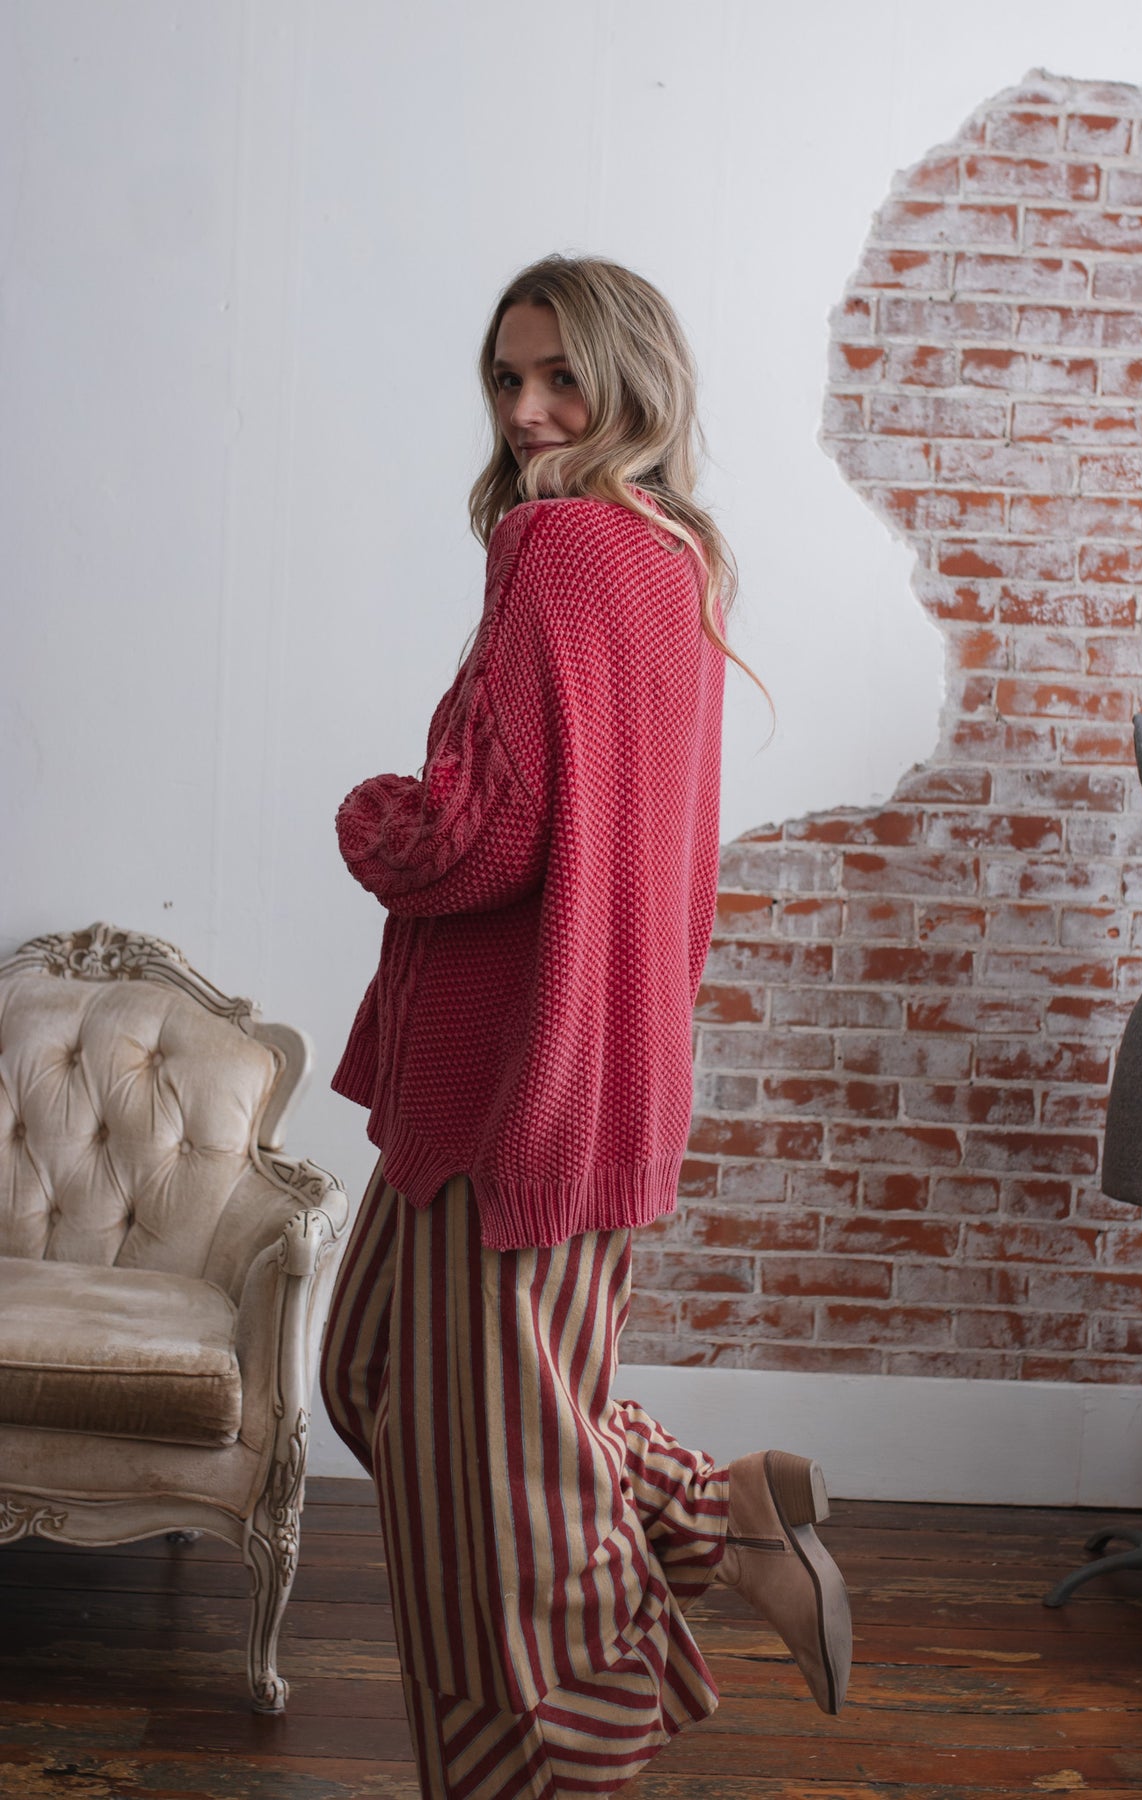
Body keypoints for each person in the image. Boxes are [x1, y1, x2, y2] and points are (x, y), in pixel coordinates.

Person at [319, 253, 852, 1800]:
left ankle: (562, 1760)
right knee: (375, 1372)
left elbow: (483, 833)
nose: (530, 409)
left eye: (562, 376)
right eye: (508, 378)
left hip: (521, 1085)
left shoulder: (556, 543)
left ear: (634, 381)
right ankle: (719, 1516)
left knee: (500, 1492)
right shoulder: (674, 556)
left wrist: (368, 816)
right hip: (579, 1074)